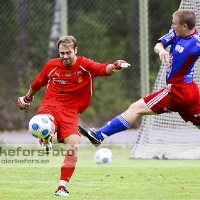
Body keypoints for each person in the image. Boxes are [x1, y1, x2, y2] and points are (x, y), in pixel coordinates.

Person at [17, 35, 130, 196]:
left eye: (68, 52)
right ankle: (46, 132)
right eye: (62, 53)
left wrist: (116, 66)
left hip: (70, 112)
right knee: (43, 122)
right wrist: (27, 97)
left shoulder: (85, 65)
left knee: (74, 145)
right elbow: (37, 83)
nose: (64, 56)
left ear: (75, 50)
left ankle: (62, 187)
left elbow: (104, 68)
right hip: (50, 106)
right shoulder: (51, 66)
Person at [78, 9, 200, 147]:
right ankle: (98, 135)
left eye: (175, 24)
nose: (172, 26)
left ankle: (99, 135)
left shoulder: (196, 43)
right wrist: (161, 50)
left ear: (184, 26)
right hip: (191, 92)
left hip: (177, 91)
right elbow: (158, 45)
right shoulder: (176, 33)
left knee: (136, 108)